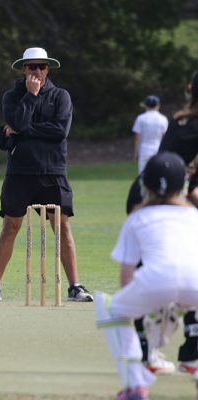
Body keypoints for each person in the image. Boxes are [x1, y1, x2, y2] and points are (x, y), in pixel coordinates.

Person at [0, 47, 92, 302]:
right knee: (11, 225)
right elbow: (17, 122)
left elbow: (60, 131)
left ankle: (75, 286)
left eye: (41, 67)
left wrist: (22, 130)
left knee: (62, 227)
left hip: (53, 171)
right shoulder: (12, 96)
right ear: (24, 69)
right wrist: (30, 98)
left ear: (48, 69)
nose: (37, 72)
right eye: (32, 67)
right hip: (20, 171)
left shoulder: (61, 96)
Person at [95, 151, 198, 400]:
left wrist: (143, 308)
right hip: (195, 281)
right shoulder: (194, 216)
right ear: (183, 186)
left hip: (153, 281)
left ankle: (136, 384)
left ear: (144, 186)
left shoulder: (137, 218)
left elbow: (126, 277)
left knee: (112, 309)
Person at [125, 72, 198, 376]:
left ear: (187, 90)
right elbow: (192, 189)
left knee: (153, 272)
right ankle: (190, 356)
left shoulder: (179, 122)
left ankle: (148, 353)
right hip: (165, 202)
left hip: (142, 195)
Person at [132, 95, 168, 173]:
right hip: (158, 149)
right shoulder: (163, 119)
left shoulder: (141, 118)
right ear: (157, 105)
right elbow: (165, 137)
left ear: (146, 105)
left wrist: (136, 152)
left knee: (142, 175)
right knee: (157, 174)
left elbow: (137, 136)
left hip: (144, 150)